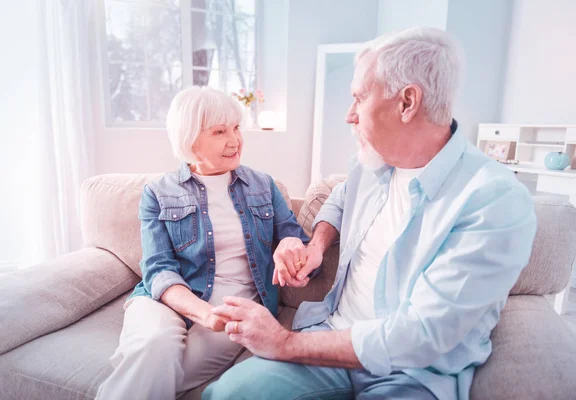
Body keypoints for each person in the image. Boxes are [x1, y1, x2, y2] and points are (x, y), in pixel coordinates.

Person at [203, 27, 537, 400]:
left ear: (407, 102)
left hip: (412, 373)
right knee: (227, 394)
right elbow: (339, 202)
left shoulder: (493, 200)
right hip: (330, 337)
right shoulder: (370, 166)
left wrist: (283, 342)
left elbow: (424, 336)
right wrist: (317, 245)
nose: (349, 115)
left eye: (359, 98)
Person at [95, 87, 309, 399]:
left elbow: (295, 237)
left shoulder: (264, 186)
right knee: (155, 345)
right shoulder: (158, 193)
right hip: (167, 299)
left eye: (236, 128)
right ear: (191, 140)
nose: (234, 140)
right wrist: (205, 314)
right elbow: (158, 269)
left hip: (236, 307)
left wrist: (292, 245)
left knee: (158, 369)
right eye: (220, 131)